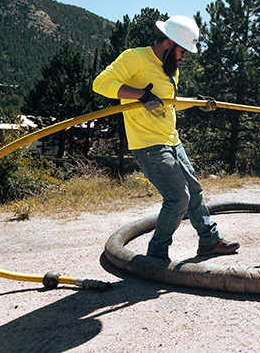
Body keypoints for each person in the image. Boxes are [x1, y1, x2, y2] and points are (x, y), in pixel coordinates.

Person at [92, 15, 239, 261]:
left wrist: (196, 103)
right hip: (149, 144)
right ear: (169, 43)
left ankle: (209, 241)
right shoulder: (135, 57)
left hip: (172, 140)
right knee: (178, 197)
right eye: (183, 51)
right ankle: (157, 254)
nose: (184, 58)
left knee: (193, 189)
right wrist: (140, 95)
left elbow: (167, 104)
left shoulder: (171, 69)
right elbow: (101, 83)